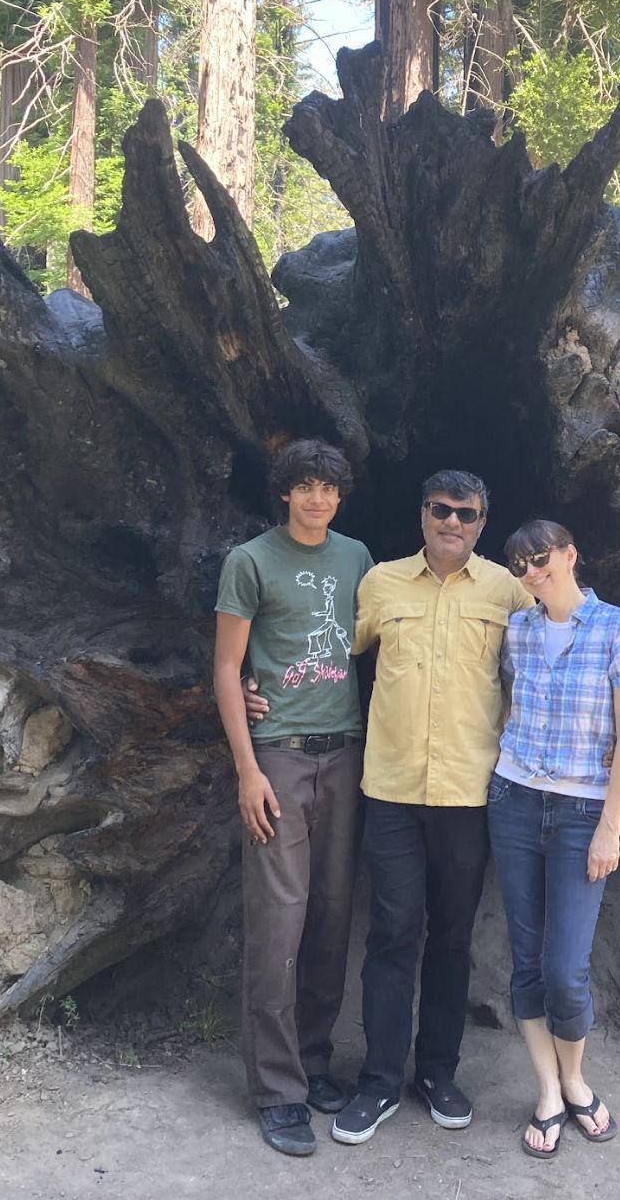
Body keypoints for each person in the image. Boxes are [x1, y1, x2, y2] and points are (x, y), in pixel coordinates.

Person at [245, 469, 532, 1146]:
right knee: (393, 932)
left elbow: (552, 650)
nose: (452, 522)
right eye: (440, 509)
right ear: (423, 514)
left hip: (468, 791)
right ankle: (377, 1079)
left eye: (466, 512)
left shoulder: (506, 591)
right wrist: (253, 676)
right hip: (393, 789)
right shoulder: (379, 583)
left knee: (453, 935)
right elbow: (318, 643)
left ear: (482, 522)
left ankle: (436, 1070)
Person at [214, 439, 373, 1156]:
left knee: (334, 914)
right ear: (284, 493)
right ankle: (277, 1088)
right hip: (279, 755)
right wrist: (248, 770)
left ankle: (313, 1060)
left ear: (341, 494)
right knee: (279, 918)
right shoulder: (249, 560)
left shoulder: (358, 558)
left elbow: (380, 644)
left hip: (347, 751)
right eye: (304, 486)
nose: (317, 498)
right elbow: (226, 669)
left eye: (329, 487)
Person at [489, 519, 620, 1159]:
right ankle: (549, 1089)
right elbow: (501, 703)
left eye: (542, 557)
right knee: (526, 957)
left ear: (570, 555)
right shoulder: (519, 631)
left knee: (566, 968)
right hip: (514, 800)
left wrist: (610, 825)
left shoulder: (619, 628)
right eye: (521, 564)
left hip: (584, 810)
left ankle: (577, 1077)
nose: (533, 570)